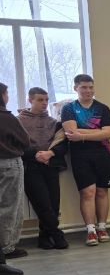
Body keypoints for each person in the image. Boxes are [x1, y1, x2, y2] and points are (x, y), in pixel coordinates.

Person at [61, 74, 110, 247]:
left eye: (91, 87)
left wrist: (82, 134)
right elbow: (71, 133)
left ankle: (102, 227)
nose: (88, 91)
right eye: (84, 87)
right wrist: (98, 132)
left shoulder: (103, 108)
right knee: (88, 192)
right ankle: (91, 230)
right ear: (75, 88)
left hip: (103, 154)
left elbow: (109, 133)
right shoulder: (69, 108)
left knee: (102, 191)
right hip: (80, 156)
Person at [18, 88, 69, 249]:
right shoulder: (19, 121)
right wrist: (35, 154)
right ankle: (57, 234)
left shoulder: (54, 122)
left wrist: (50, 153)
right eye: (40, 100)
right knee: (42, 203)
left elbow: (63, 143)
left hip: (50, 165)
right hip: (30, 167)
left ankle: (44, 237)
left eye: (46, 100)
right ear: (30, 100)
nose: (45, 103)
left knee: (53, 204)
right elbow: (16, 144)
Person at [0, 83, 30, 259]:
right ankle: (7, 247)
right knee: (10, 206)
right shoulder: (7, 117)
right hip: (9, 163)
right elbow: (25, 141)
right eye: (6, 94)